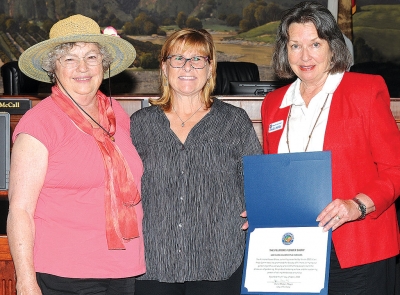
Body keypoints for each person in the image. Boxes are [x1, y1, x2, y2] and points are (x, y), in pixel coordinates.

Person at [260, 1, 400, 294]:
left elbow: (394, 169)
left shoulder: (365, 91)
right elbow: (274, 174)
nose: (305, 55)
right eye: (295, 45)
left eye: (315, 44)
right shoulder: (273, 105)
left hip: (356, 247)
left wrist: (357, 205)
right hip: (293, 250)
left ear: (332, 47)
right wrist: (262, 207)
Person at [7, 14, 145, 295]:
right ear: (53, 68)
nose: (83, 67)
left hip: (124, 268)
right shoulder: (39, 124)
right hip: (65, 275)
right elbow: (20, 210)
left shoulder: (115, 112)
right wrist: (25, 281)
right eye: (69, 58)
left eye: (92, 57)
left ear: (103, 64)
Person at [130, 28, 262, 295]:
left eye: (197, 59)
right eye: (177, 58)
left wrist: (260, 208)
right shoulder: (139, 125)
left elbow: (257, 184)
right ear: (164, 67)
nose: (187, 66)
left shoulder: (233, 122)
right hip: (155, 263)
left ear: (210, 67)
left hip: (218, 261)